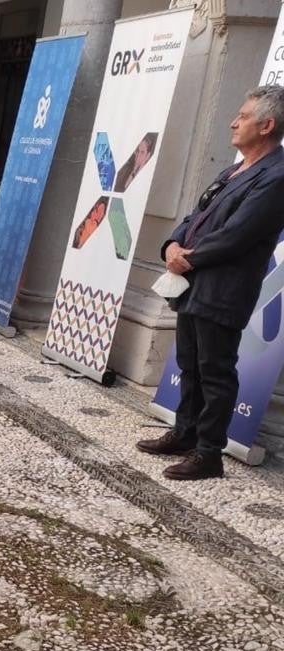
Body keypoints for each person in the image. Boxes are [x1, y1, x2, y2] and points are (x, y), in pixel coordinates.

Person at [136, 85, 284, 480]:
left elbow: (238, 235)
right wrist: (171, 244)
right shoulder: (234, 169)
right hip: (193, 282)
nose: (233, 123)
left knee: (215, 371)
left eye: (243, 116)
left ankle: (208, 453)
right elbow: (195, 216)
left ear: (267, 125)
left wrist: (186, 258)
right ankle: (185, 432)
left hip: (224, 288)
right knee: (189, 364)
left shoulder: (277, 175)